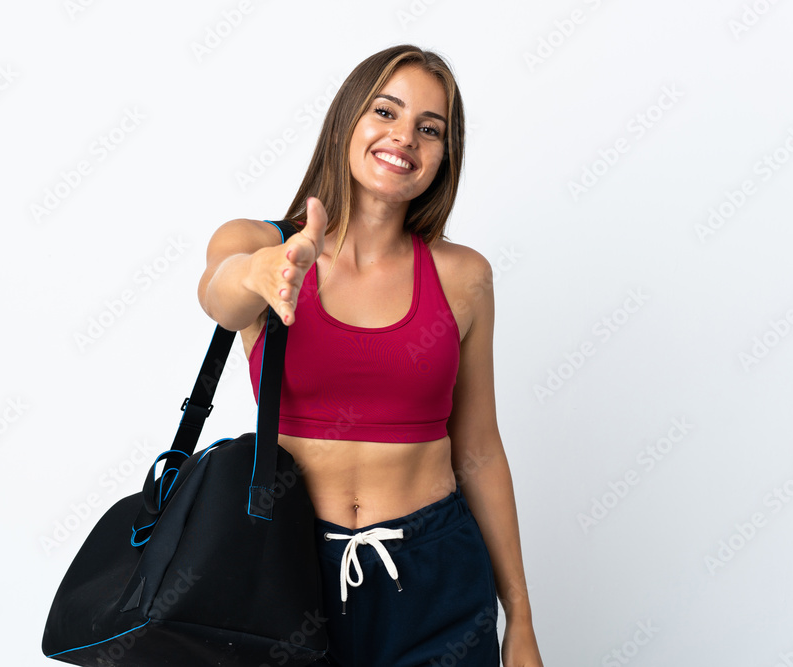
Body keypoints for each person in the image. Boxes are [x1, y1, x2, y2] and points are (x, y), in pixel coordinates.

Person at [198, 44, 544, 667]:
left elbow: (479, 449)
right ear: (347, 121)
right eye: (385, 112)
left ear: (444, 156)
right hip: (287, 573)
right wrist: (259, 272)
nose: (404, 137)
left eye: (429, 128)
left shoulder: (463, 276)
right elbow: (220, 300)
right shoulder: (258, 242)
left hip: (434, 574)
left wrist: (519, 616)